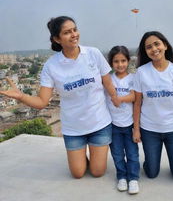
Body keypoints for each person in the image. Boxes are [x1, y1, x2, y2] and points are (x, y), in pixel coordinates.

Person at [0, 16, 119, 179]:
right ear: (57, 39)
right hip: (73, 127)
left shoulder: (93, 54)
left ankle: (90, 152)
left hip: (99, 123)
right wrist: (21, 96)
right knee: (78, 173)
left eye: (75, 30)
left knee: (98, 172)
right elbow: (42, 102)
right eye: (67, 32)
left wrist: (118, 101)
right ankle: (80, 155)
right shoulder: (51, 65)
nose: (74, 34)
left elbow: (108, 83)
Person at [132, 31, 173, 181]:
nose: (154, 49)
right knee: (151, 173)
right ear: (146, 51)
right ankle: (151, 163)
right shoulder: (141, 72)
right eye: (148, 47)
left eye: (157, 44)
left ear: (165, 45)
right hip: (150, 130)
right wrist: (136, 130)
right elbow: (137, 103)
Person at [106, 46, 140, 194]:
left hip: (129, 124)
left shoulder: (133, 78)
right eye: (116, 61)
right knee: (118, 154)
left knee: (132, 154)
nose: (120, 64)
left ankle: (133, 178)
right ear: (111, 63)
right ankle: (121, 176)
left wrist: (118, 99)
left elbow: (134, 97)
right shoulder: (108, 79)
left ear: (128, 61)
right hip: (113, 124)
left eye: (123, 61)